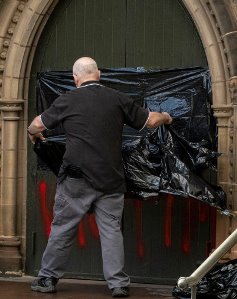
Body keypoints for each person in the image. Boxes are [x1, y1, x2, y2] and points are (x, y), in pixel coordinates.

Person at [28, 57, 172, 298]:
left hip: (75, 180)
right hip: (111, 180)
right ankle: (118, 284)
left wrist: (34, 135)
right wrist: (167, 116)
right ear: (99, 74)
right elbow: (151, 121)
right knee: (111, 232)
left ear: (76, 79)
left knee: (62, 229)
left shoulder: (67, 99)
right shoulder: (117, 98)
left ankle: (47, 279)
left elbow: (36, 125)